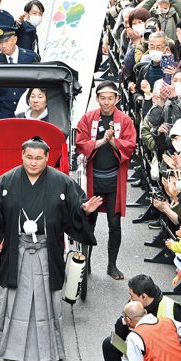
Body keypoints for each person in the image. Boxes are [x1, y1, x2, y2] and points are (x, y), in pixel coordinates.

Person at [0, 137, 101, 361]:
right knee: (16, 301)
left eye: (39, 158)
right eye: (29, 157)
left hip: (48, 248)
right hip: (18, 249)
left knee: (47, 300)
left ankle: (49, 352)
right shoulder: (7, 180)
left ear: (47, 158)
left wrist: (85, 210)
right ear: (22, 156)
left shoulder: (62, 182)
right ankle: (11, 353)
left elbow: (76, 209)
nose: (33, 163)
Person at [75, 80, 137, 280]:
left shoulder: (125, 120)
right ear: (97, 99)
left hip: (113, 181)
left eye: (110, 98)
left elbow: (130, 145)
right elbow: (80, 143)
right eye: (102, 98)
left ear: (117, 99)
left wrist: (113, 141)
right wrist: (103, 141)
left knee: (114, 224)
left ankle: (112, 265)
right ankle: (87, 263)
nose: (106, 102)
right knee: (89, 222)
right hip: (94, 179)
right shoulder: (88, 118)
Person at [0, 26, 40, 121]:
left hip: (28, 114)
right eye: (0, 42)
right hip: (4, 116)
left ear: (15, 39)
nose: (3, 46)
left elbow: (39, 86)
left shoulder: (31, 58)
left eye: (6, 41)